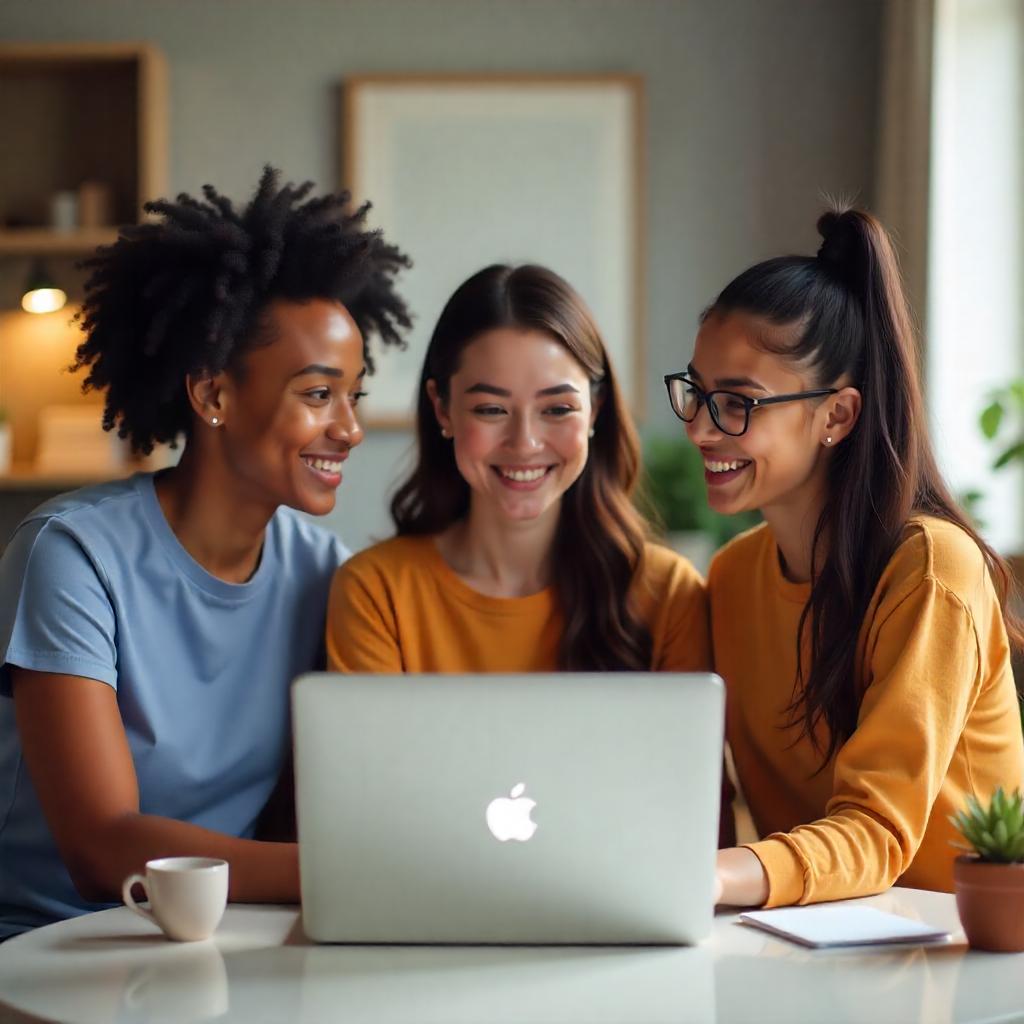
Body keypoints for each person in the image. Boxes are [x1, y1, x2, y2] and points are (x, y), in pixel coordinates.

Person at [0, 167, 411, 938]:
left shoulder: (326, 572)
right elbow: (102, 848)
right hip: (46, 943)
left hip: (225, 939)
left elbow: (314, 800)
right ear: (213, 395)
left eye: (354, 395)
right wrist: (355, 868)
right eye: (319, 394)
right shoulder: (73, 557)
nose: (350, 428)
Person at [666, 205, 1024, 908]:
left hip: (960, 955)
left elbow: (876, 832)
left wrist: (702, 875)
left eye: (738, 403)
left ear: (837, 415)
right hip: (815, 944)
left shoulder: (930, 569)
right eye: (698, 394)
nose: (704, 429)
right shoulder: (734, 576)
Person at [326, 263, 709, 678]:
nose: (525, 442)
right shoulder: (376, 592)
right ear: (442, 408)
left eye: (557, 409)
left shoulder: (668, 594)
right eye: (491, 409)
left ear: (595, 409)